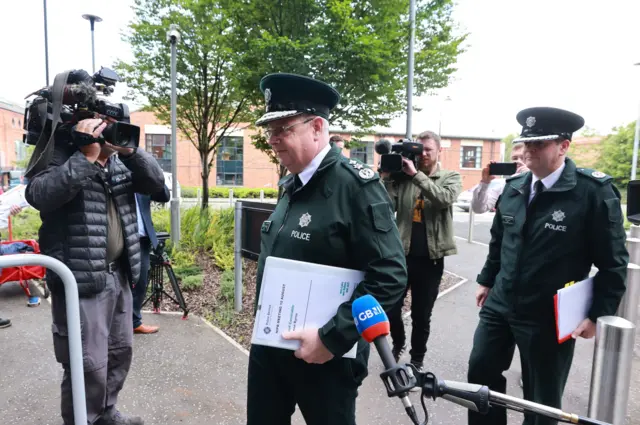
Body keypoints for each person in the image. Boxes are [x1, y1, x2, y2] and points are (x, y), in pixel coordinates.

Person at [247, 73, 407, 425]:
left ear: (317, 128)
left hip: (326, 357)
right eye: (269, 131)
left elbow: (390, 276)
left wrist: (332, 338)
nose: (273, 140)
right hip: (271, 347)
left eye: (283, 129)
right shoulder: (291, 183)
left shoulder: (355, 187)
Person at [467, 107, 628, 425]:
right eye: (526, 144)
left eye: (538, 144)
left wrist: (597, 313)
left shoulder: (591, 193)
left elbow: (613, 263)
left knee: (542, 401)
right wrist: (486, 280)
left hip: (549, 314)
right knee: (480, 377)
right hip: (501, 304)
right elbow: (500, 242)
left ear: (563, 146)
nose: (528, 152)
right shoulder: (514, 188)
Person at [25, 115, 165, 425]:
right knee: (86, 363)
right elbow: (39, 195)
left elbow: (157, 184)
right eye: (102, 125)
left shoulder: (119, 161)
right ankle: (82, 419)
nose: (110, 131)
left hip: (120, 274)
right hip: (82, 279)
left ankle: (107, 413)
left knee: (119, 353)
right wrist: (85, 157)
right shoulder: (61, 153)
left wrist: (130, 152)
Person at [380, 131, 462, 372]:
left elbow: (443, 199)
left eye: (428, 150)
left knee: (421, 314)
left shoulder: (449, 177)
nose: (423, 154)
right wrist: (386, 178)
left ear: (439, 151)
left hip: (430, 259)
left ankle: (417, 360)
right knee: (392, 308)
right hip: (402, 255)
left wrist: (416, 176)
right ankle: (399, 342)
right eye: (419, 150)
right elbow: (386, 208)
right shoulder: (403, 178)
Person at [132, 186, 170, 334]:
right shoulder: (116, 171)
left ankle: (134, 322)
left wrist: (152, 171)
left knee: (141, 282)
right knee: (120, 284)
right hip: (121, 238)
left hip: (142, 240)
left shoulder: (143, 176)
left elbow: (164, 196)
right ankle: (116, 324)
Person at [471, 141, 529, 214]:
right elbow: (478, 209)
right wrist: (485, 182)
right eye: (515, 158)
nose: (518, 161)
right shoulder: (504, 185)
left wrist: (529, 175)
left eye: (523, 158)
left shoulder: (540, 181)